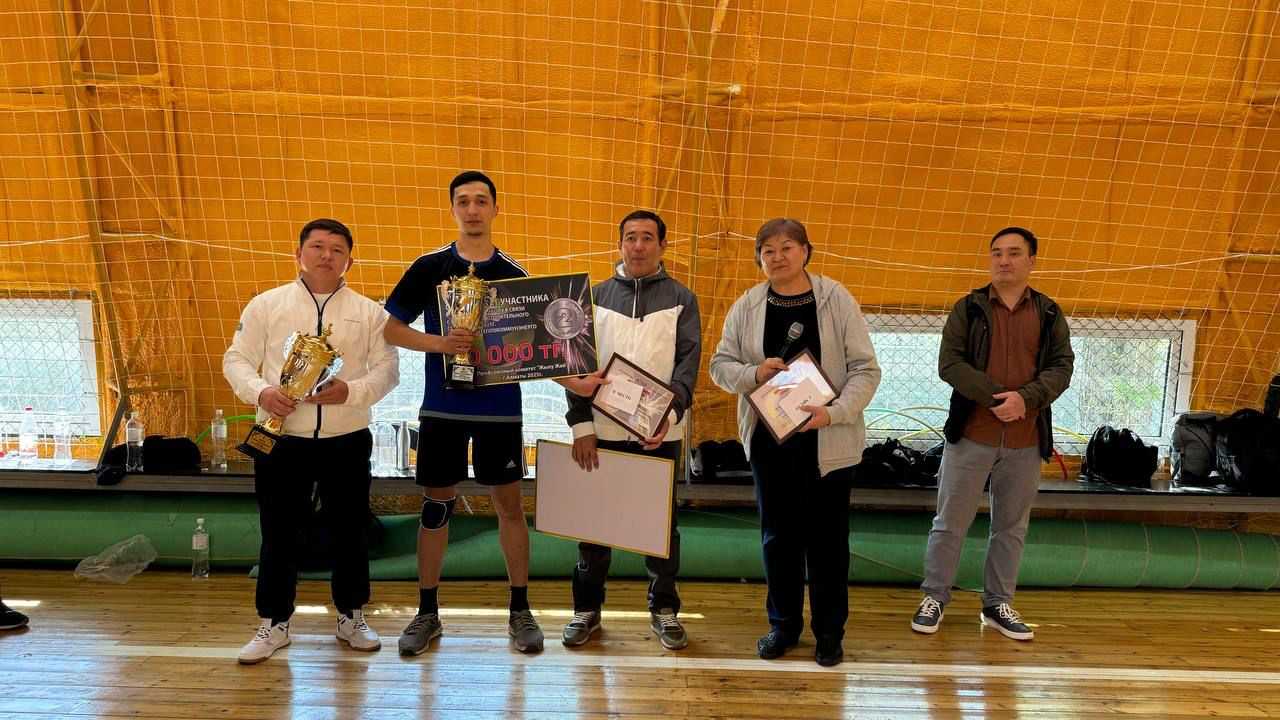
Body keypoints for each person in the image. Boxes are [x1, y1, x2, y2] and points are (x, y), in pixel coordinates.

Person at [224, 218, 400, 664]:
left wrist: (351, 392)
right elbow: (236, 359)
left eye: (337, 249)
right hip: (281, 439)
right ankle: (274, 623)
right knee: (278, 532)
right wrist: (262, 392)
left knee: (351, 531)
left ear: (349, 261)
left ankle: (351, 616)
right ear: (298, 254)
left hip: (347, 439)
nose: (326, 255)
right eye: (317, 246)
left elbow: (388, 371)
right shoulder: (266, 305)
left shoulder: (370, 313)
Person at [384, 171, 544, 655]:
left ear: (495, 209)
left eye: (481, 201)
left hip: (500, 408)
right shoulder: (429, 267)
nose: (472, 209)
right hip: (444, 408)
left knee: (510, 507)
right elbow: (391, 329)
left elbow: (536, 347)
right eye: (463, 201)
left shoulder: (515, 275)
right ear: (452, 208)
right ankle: (426, 612)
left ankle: (520, 610)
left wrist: (575, 377)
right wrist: (441, 343)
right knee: (436, 506)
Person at [709, 218, 880, 667]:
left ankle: (829, 633)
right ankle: (783, 626)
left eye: (787, 247)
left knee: (828, 544)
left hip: (828, 443)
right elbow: (720, 366)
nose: (777, 256)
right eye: (767, 250)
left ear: (806, 251)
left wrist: (834, 413)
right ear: (759, 259)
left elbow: (866, 370)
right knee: (777, 540)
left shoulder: (836, 299)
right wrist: (754, 373)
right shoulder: (747, 305)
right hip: (770, 444)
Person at [910, 226, 1074, 641]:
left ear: (1032, 261)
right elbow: (950, 364)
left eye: (1014, 253)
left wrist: (1026, 400)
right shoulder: (968, 308)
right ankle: (934, 597)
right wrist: (997, 398)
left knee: (1011, 527)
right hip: (971, 435)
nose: (1004, 260)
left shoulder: (1050, 313)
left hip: (1025, 440)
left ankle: (998, 604)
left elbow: (1061, 367)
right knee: (949, 523)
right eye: (997, 253)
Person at [559, 210, 701, 651]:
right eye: (631, 237)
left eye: (647, 238)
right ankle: (586, 610)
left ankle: (664, 610)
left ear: (662, 245)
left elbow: (687, 367)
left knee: (660, 528)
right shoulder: (591, 298)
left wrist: (667, 419)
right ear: (620, 244)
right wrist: (582, 426)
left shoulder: (683, 298)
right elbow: (575, 367)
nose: (638, 246)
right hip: (600, 433)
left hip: (658, 435)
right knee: (594, 525)